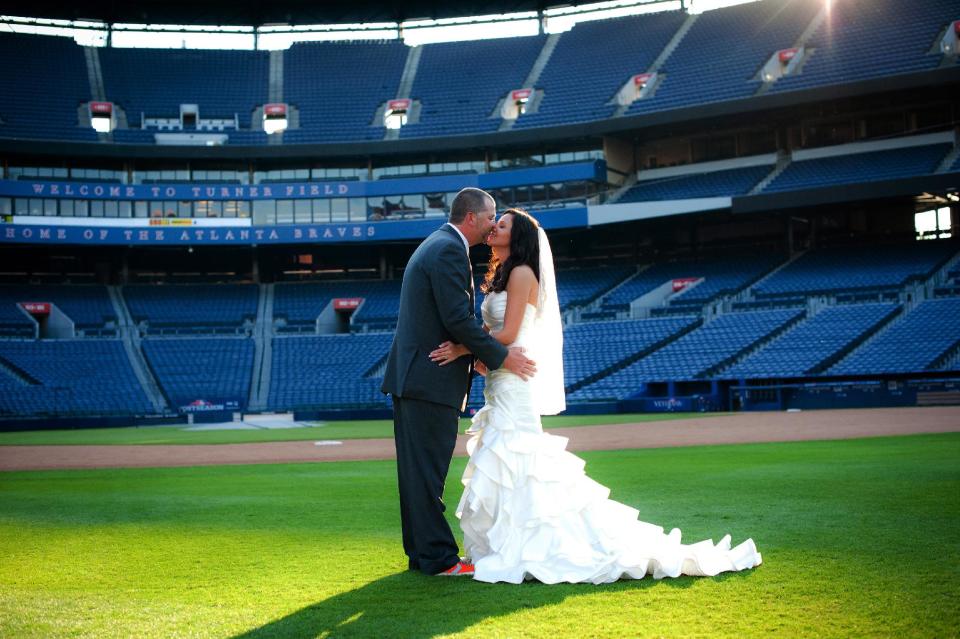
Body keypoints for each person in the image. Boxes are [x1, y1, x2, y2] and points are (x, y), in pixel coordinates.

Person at [429, 209, 762, 584]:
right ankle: (510, 545)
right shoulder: (501, 277)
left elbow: (506, 336)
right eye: (494, 222)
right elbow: (497, 339)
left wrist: (463, 349)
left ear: (517, 236)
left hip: (513, 384)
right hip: (500, 378)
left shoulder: (523, 273)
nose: (493, 228)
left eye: (502, 224)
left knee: (517, 462)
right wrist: (481, 358)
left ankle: (529, 548)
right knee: (508, 463)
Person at [381, 188, 537, 577]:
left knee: (418, 475)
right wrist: (500, 356)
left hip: (417, 378)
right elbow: (456, 320)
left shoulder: (438, 244)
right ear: (472, 218)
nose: (491, 227)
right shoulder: (449, 249)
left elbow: (455, 323)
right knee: (427, 474)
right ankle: (438, 558)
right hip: (428, 380)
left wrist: (473, 353)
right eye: (490, 218)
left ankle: (424, 555)